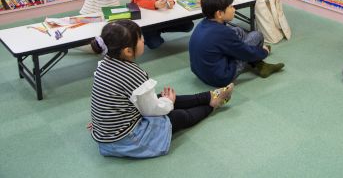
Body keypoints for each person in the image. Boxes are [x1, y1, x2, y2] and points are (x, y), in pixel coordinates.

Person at [89, 20, 234, 158]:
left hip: (107, 135)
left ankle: (209, 96)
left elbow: (106, 98)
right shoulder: (133, 74)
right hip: (127, 141)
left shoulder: (104, 64)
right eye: (140, 38)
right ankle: (212, 105)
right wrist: (168, 102)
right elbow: (151, 111)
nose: (143, 40)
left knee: (162, 98)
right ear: (127, 51)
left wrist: (102, 122)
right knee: (178, 116)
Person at [189, 0, 284, 87]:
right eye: (230, 6)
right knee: (257, 36)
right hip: (220, 78)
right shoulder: (224, 33)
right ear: (219, 14)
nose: (234, 9)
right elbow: (246, 52)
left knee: (237, 31)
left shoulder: (201, 24)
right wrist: (264, 52)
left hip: (199, 72)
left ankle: (259, 64)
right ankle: (261, 65)